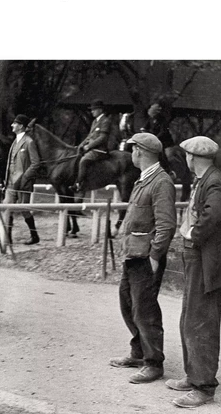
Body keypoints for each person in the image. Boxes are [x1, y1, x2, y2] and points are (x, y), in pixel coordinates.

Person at [110, 133, 176, 383]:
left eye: (133, 149)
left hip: (146, 257)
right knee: (128, 304)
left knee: (145, 310)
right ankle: (138, 353)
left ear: (141, 152)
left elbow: (166, 225)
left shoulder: (161, 182)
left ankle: (153, 362)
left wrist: (155, 256)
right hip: (134, 255)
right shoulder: (145, 179)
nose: (131, 154)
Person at [165, 136, 221, 408]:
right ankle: (193, 376)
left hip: (204, 259)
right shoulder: (204, 180)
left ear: (192, 158)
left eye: (186, 155)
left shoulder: (214, 181)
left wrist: (192, 235)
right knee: (190, 317)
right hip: (195, 257)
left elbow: (213, 216)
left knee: (201, 321)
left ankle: (204, 387)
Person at [0, 114, 41, 248]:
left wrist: (25, 178)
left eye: (15, 123)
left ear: (21, 126)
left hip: (23, 183)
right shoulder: (15, 141)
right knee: (7, 207)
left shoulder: (29, 142)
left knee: (24, 209)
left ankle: (34, 236)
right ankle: (7, 237)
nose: (12, 125)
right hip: (11, 182)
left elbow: (36, 163)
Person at [73, 99, 111, 193]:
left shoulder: (105, 121)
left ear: (100, 110)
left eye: (94, 109)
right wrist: (80, 145)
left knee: (83, 161)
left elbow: (102, 138)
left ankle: (79, 184)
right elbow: (89, 136)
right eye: (92, 110)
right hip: (91, 148)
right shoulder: (94, 121)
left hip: (100, 150)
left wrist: (89, 146)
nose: (92, 111)